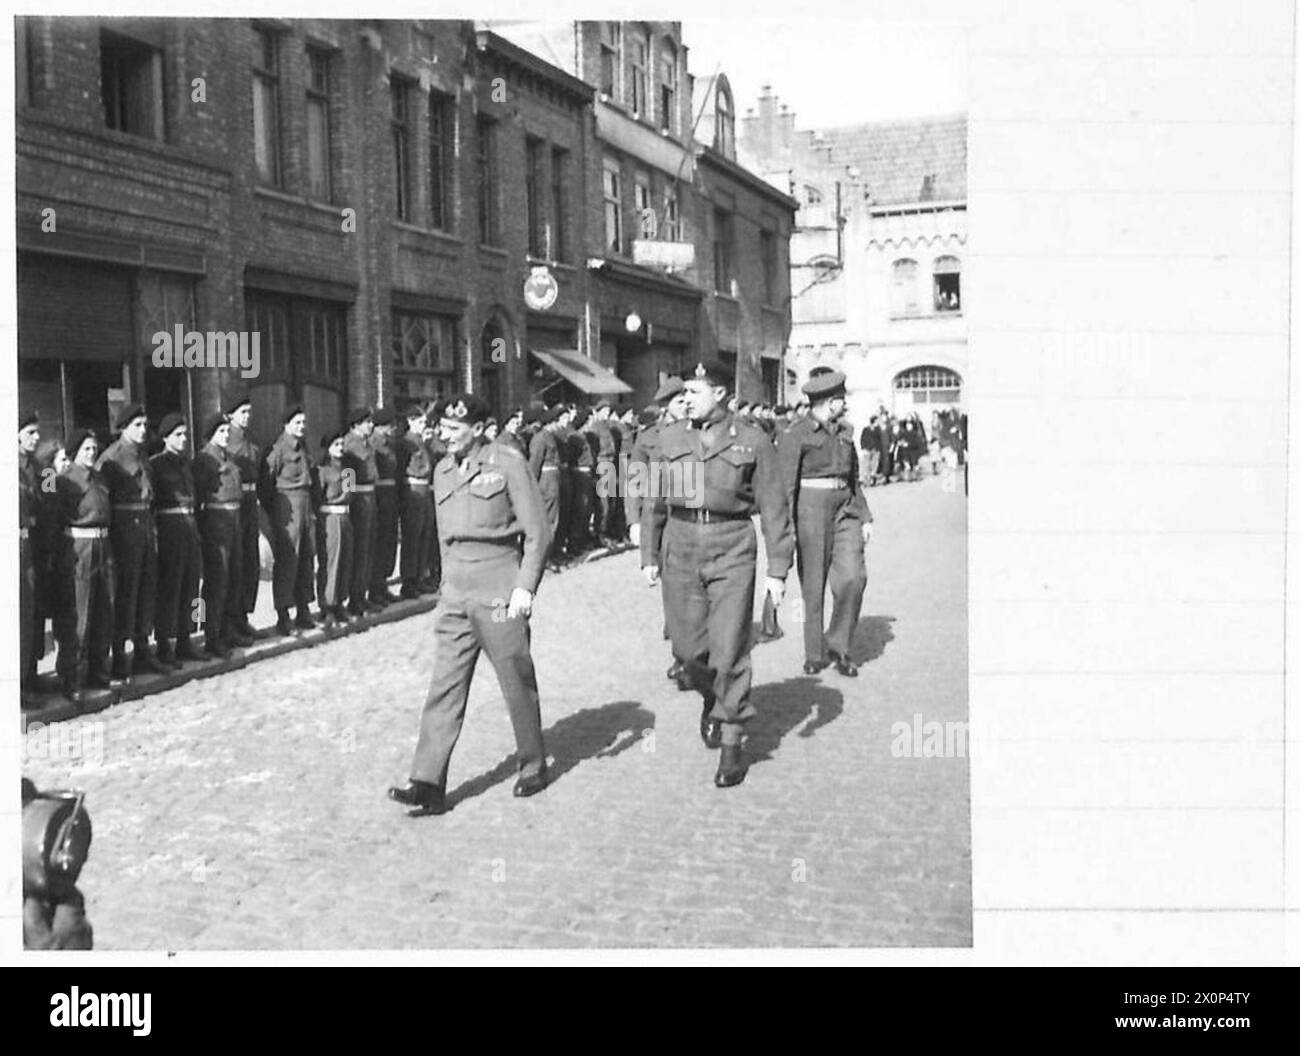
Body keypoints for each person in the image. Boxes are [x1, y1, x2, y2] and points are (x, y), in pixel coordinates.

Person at [389, 394, 552, 816]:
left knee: (515, 676)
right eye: (441, 427)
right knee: (444, 684)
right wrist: (446, 588)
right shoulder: (442, 469)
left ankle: (533, 762)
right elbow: (445, 537)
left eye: (454, 429)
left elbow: (537, 531)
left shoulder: (507, 462)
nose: (444, 435)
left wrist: (525, 587)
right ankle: (428, 780)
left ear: (478, 429)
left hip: (498, 580)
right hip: (456, 589)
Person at [641, 362, 793, 788]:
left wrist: (777, 570)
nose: (685, 398)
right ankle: (713, 696)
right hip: (681, 541)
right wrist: (648, 553)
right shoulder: (670, 438)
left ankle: (732, 740)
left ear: (722, 394)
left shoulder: (752, 440)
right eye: (684, 391)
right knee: (689, 651)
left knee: (729, 649)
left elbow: (775, 507)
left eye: (695, 390)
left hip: (731, 544)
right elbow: (654, 500)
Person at [779, 370, 873, 678]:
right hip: (810, 508)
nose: (844, 405)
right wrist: (789, 530)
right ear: (828, 402)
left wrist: (865, 516)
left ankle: (839, 645)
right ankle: (814, 652)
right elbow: (786, 486)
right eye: (840, 400)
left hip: (845, 507)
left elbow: (854, 478)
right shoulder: (796, 434)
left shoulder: (845, 432)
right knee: (813, 583)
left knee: (853, 577)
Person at [97, 404, 164, 679]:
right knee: (127, 592)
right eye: (136, 425)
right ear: (123, 428)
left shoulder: (143, 455)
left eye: (145, 425)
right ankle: (120, 656)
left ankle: (142, 651)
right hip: (124, 532)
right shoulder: (111, 459)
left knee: (147, 589)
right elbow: (102, 500)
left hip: (145, 527)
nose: (142, 430)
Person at [53, 428, 117, 704]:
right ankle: (72, 678)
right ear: (75, 453)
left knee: (105, 608)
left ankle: (99, 672)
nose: (91, 454)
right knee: (78, 617)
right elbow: (54, 518)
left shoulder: (101, 478)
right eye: (86, 449)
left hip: (104, 546)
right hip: (80, 549)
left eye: (94, 449)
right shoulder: (63, 481)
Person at [149, 413, 203, 669]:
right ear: (166, 438)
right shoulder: (156, 465)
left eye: (185, 434)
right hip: (170, 528)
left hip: (190, 527)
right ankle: (164, 643)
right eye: (178, 435)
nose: (183, 439)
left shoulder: (186, 464)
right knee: (171, 587)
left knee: (192, 586)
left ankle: (187, 637)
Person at [193, 413, 246, 658]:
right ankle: (210, 635)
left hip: (234, 519)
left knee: (235, 576)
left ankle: (229, 630)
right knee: (216, 581)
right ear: (211, 435)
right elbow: (199, 496)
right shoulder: (204, 460)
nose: (226, 435)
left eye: (227, 431)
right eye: (221, 432)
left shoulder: (229, 457)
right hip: (216, 522)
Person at [264, 405, 316, 636]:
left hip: (305, 506)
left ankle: (303, 609)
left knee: (306, 557)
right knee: (288, 560)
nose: (301, 427)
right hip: (287, 508)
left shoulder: (303, 448)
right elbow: (265, 485)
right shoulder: (278, 451)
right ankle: (283, 614)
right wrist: (276, 512)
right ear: (286, 425)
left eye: (303, 423)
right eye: (297, 422)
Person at [225, 395, 261, 639]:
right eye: (242, 412)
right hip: (233, 506)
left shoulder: (252, 441)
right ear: (230, 415)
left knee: (251, 562)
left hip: (251, 500)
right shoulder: (225, 441)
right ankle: (228, 621)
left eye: (249, 412)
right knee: (233, 565)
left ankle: (244, 615)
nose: (247, 416)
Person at [313, 429, 354, 628]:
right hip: (329, 517)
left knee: (345, 559)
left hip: (345, 517)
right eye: (336, 445)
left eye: (342, 444)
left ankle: (340, 602)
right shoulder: (322, 471)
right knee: (331, 561)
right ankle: (327, 606)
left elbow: (351, 495)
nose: (340, 449)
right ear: (328, 448)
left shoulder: (349, 470)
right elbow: (317, 497)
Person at [396, 403, 435, 600]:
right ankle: (408, 581)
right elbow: (401, 469)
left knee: (423, 534)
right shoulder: (406, 442)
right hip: (412, 489)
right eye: (419, 422)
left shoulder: (420, 441)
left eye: (423, 422)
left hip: (424, 489)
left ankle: (420, 576)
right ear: (410, 422)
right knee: (412, 536)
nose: (423, 425)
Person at [19, 410, 41, 704]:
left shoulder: (40, 468)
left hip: (36, 544)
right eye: (30, 433)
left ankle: (31, 675)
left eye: (37, 433)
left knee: (34, 612)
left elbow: (46, 500)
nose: (37, 438)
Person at [370, 407, 401, 608]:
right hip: (378, 496)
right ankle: (375, 588)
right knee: (378, 544)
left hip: (390, 495)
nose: (393, 429)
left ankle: (383, 585)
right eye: (390, 425)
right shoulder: (373, 444)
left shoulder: (389, 445)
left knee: (389, 543)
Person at [528, 405, 564, 570]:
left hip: (552, 479)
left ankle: (550, 554)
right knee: (548, 520)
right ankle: (545, 558)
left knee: (553, 519)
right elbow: (535, 463)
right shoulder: (541, 438)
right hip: (546, 481)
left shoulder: (548, 436)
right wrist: (531, 485)